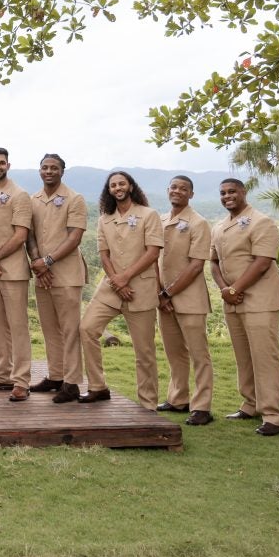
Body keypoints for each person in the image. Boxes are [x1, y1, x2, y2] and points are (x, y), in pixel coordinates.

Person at [78, 171, 163, 408]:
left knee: (144, 351)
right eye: (113, 185)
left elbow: (153, 252)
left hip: (141, 289)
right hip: (111, 288)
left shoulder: (149, 215)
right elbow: (103, 254)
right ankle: (97, 387)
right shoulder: (105, 218)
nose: (118, 187)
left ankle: (148, 404)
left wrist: (125, 278)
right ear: (109, 190)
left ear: (131, 187)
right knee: (87, 329)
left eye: (122, 183)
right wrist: (117, 280)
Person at [211, 178, 279, 436]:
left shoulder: (262, 222)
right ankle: (250, 404)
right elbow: (213, 262)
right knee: (243, 357)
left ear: (244, 192)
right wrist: (224, 289)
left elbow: (262, 261)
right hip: (232, 301)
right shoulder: (219, 227)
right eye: (223, 193)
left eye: (232, 191)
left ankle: (273, 415)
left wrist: (235, 289)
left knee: (264, 357)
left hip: (260, 300)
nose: (227, 196)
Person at [27, 153, 88, 404]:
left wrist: (48, 261)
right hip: (42, 275)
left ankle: (72, 382)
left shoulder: (75, 199)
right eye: (45, 167)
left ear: (63, 171)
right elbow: (28, 235)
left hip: (67, 275)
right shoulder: (34, 200)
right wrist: (37, 261)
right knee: (50, 329)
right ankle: (55, 375)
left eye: (54, 168)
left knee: (70, 330)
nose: (49, 171)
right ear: (39, 171)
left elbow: (74, 237)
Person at [156, 175, 215, 426]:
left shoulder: (198, 223)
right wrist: (161, 294)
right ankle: (178, 398)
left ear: (191, 194)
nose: (177, 191)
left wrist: (168, 293)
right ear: (167, 190)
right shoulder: (159, 220)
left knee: (198, 354)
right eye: (174, 187)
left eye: (184, 188)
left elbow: (196, 266)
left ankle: (202, 406)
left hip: (189, 297)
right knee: (174, 352)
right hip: (163, 298)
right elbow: (153, 259)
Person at [0, 147, 34, 402]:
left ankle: (21, 380)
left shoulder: (20, 195)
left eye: (2, 162)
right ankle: (3, 375)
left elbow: (20, 235)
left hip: (13, 272)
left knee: (18, 326)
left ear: (8, 166)